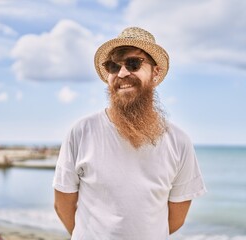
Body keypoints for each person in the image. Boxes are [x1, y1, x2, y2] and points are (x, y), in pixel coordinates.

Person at [53, 27, 206, 240]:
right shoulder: (81, 132)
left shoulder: (178, 141)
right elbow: (63, 205)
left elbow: (176, 218)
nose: (122, 73)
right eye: (113, 66)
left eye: (133, 64)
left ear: (156, 72)